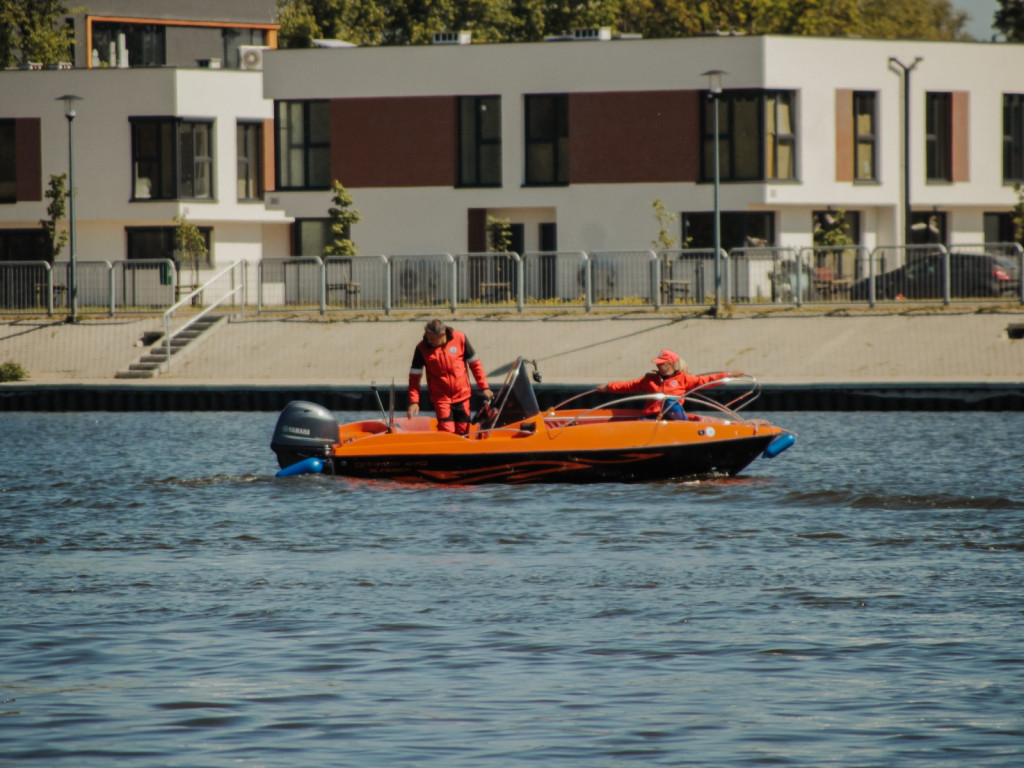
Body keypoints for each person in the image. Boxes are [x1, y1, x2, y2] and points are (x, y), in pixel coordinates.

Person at [407, 319, 493, 434]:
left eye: (432, 338)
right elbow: (414, 378)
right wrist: (414, 401)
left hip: (462, 396)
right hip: (441, 399)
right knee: (447, 431)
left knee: (463, 430)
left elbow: (475, 364)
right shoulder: (421, 348)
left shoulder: (460, 338)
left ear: (442, 335)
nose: (428, 340)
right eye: (427, 337)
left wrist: (484, 387)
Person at [597, 350, 735, 420]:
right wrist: (609, 386)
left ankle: (683, 431)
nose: (658, 364)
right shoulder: (649, 379)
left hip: (674, 417)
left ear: (670, 364)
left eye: (661, 363)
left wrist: (728, 375)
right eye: (657, 362)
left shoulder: (684, 378)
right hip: (651, 416)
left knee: (669, 400)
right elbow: (628, 386)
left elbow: (707, 380)